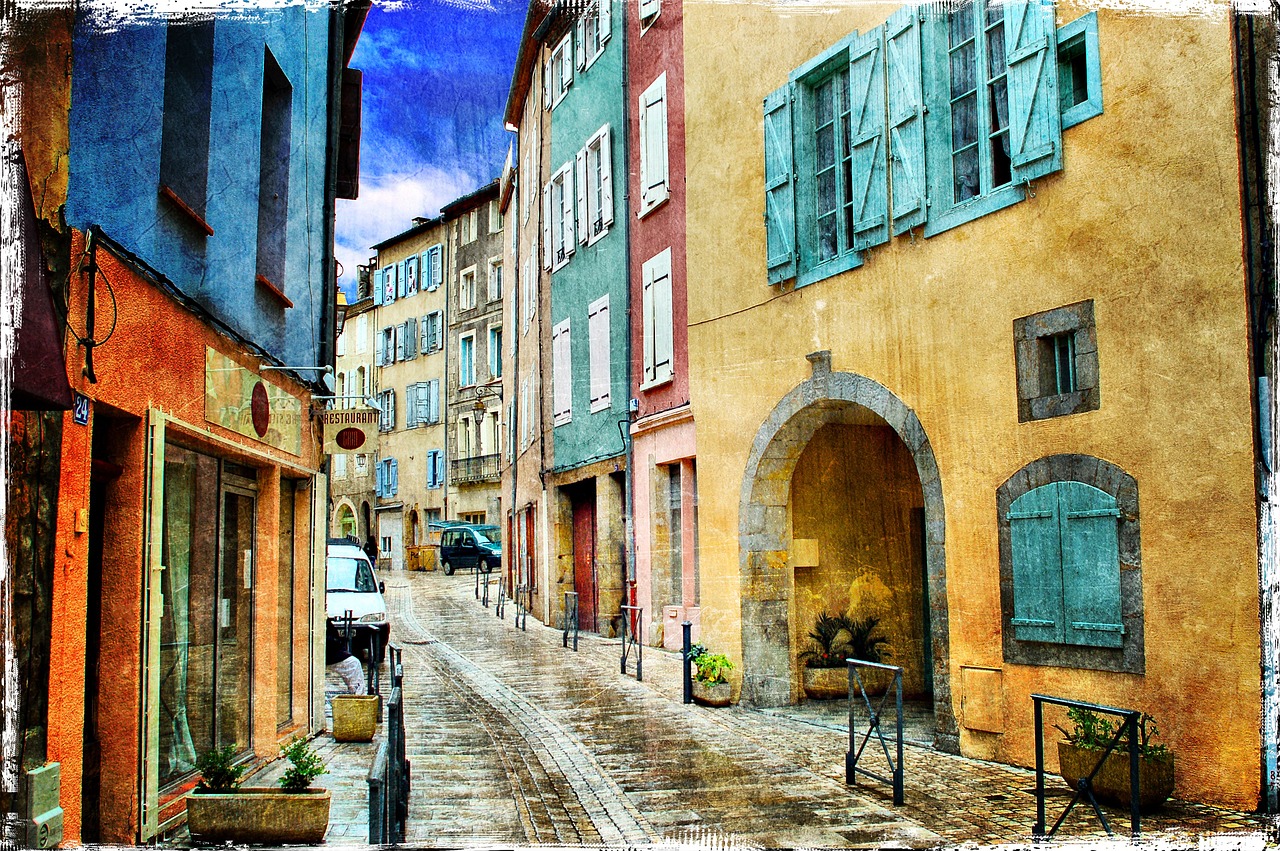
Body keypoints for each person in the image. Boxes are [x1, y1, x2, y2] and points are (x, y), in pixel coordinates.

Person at [326, 619, 367, 695]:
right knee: (353, 663)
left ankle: (357, 694)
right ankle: (358, 695)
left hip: (331, 650)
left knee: (353, 663)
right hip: (327, 651)